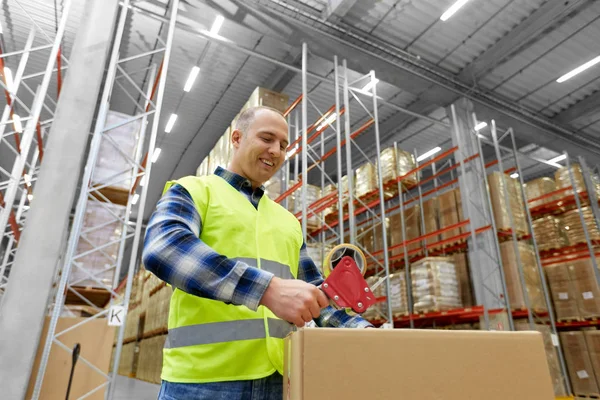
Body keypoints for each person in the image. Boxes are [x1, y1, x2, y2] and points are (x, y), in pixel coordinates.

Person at [142, 105, 373, 400]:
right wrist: (267, 290)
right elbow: (164, 248)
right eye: (267, 138)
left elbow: (317, 293)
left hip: (278, 378)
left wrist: (365, 332)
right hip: (203, 382)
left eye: (283, 145)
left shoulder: (287, 221)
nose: (276, 151)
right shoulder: (196, 191)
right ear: (237, 138)